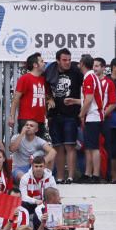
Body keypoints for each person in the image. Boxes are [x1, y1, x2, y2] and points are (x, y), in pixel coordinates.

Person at [43, 48, 83, 183]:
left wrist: (80, 106)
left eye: (69, 60)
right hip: (54, 115)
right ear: (57, 61)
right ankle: (59, 178)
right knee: (57, 147)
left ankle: (70, 177)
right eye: (64, 60)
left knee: (70, 146)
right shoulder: (49, 71)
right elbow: (44, 88)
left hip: (71, 115)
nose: (67, 63)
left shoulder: (76, 71)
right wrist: (49, 98)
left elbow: (87, 88)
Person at [78, 55, 116, 183]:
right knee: (89, 147)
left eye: (79, 63)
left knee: (94, 147)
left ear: (82, 63)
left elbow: (88, 99)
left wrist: (81, 114)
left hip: (93, 116)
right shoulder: (92, 77)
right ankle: (88, 174)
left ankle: (95, 174)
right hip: (93, 116)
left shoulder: (89, 77)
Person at [9, 52, 49, 139]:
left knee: (38, 149)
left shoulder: (43, 79)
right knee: (26, 149)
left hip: (40, 120)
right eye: (42, 61)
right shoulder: (25, 78)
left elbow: (45, 97)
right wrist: (11, 117)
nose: (44, 63)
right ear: (35, 65)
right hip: (27, 120)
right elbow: (16, 98)